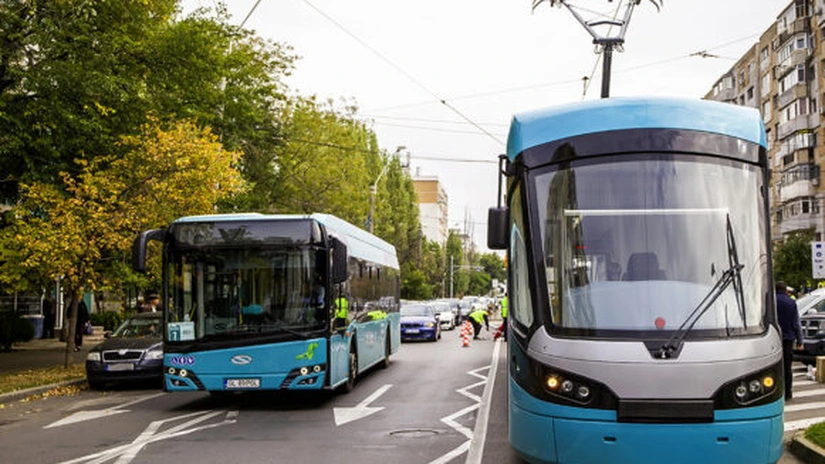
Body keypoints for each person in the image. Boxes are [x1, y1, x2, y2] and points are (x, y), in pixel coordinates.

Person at [776, 281, 803, 400]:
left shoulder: (770, 301)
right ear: (785, 289)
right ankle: (788, 393)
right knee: (787, 367)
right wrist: (800, 340)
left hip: (775, 339)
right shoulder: (792, 302)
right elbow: (796, 323)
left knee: (775, 368)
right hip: (788, 338)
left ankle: (776, 393)